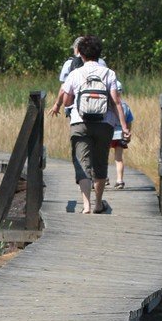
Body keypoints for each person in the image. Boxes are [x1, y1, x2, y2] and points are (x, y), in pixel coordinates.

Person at [48, 35, 129, 214]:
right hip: (104, 124)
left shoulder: (75, 73)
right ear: (99, 54)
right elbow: (116, 102)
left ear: (81, 55)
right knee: (100, 163)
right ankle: (98, 203)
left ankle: (86, 205)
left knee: (82, 163)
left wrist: (68, 102)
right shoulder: (109, 73)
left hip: (80, 123)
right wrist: (123, 127)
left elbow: (68, 101)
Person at [109, 80, 134, 189]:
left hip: (108, 133)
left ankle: (103, 178)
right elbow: (128, 123)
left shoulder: (108, 105)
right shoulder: (125, 107)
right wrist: (127, 133)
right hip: (120, 134)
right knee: (119, 158)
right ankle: (120, 180)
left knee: (103, 157)